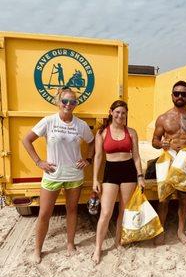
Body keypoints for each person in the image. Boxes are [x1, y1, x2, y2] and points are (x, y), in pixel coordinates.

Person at [23, 87, 94, 263]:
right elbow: (26, 140)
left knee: (72, 210)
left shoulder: (81, 125)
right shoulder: (49, 121)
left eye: (72, 102)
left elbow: (92, 142)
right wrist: (39, 162)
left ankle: (70, 244)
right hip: (52, 175)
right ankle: (37, 250)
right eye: (65, 101)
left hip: (74, 175)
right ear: (58, 102)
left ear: (76, 104)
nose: (68, 105)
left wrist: (88, 159)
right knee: (44, 213)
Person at [152, 80, 186, 245]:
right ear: (172, 96)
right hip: (169, 160)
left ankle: (181, 231)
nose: (180, 96)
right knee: (164, 198)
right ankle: (160, 231)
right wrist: (162, 144)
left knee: (184, 198)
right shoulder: (163, 118)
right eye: (177, 93)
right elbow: (154, 140)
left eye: (183, 93)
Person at [92, 100, 145, 264]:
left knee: (123, 211)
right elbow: (99, 157)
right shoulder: (102, 133)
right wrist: (95, 179)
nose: (120, 115)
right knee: (106, 212)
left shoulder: (132, 132)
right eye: (117, 112)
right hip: (111, 172)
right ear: (111, 112)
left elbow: (136, 156)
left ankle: (117, 242)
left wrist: (140, 176)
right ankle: (97, 249)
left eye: (123, 113)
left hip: (128, 171)